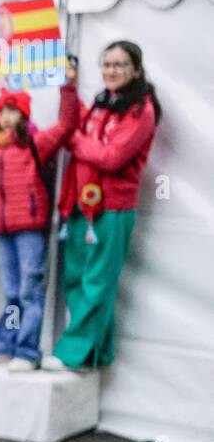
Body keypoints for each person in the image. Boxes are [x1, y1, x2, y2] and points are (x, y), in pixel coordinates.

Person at [0, 68, 79, 371]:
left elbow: (66, 124)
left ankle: (27, 350)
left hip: (30, 230)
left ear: (23, 114)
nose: (8, 117)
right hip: (4, 227)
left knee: (29, 290)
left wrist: (68, 87)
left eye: (13, 111)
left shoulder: (37, 142)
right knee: (11, 290)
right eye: (3, 111)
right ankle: (5, 344)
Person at [45, 42, 160, 372]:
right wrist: (67, 86)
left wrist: (74, 141)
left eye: (120, 65)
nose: (111, 71)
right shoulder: (102, 104)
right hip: (81, 203)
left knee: (97, 280)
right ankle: (97, 352)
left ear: (136, 70)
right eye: (106, 64)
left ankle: (73, 353)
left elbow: (111, 158)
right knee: (77, 276)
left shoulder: (142, 111)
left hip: (111, 208)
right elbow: (77, 123)